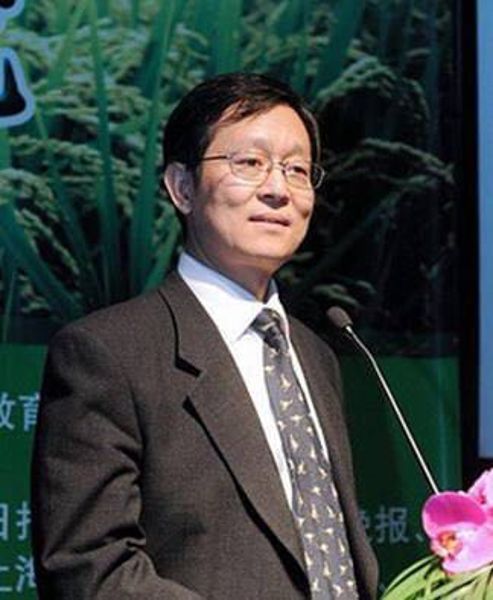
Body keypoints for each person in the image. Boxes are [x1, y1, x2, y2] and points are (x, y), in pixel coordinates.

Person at [31, 73, 378, 599]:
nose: (278, 189)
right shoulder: (108, 352)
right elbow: (88, 569)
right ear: (182, 187)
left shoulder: (316, 352)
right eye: (250, 163)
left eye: (297, 169)